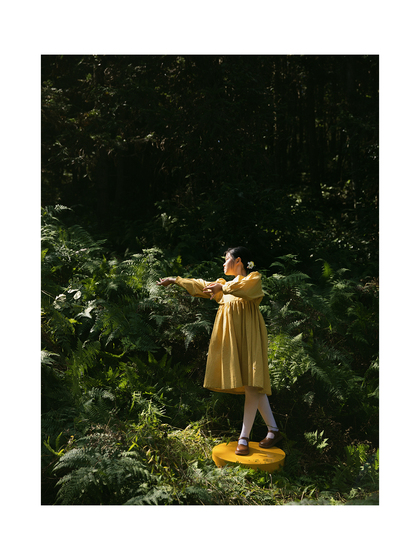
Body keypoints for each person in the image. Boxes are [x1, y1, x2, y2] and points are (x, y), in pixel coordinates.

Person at [157, 246, 282, 456]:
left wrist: (221, 287)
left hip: (250, 337)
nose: (223, 264)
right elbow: (201, 284)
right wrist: (176, 280)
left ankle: (243, 437)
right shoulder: (224, 286)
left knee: (252, 384)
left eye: (226, 259)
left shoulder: (253, 279)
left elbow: (243, 289)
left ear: (238, 261)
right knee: (253, 384)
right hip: (233, 341)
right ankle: (273, 431)